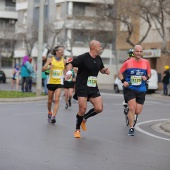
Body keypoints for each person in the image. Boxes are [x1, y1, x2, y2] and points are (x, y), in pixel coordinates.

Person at [66, 40, 110, 138]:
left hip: (93, 86)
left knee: (99, 108)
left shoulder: (99, 58)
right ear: (94, 47)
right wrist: (69, 72)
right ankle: (77, 129)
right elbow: (70, 64)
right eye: (100, 46)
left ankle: (85, 118)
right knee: (82, 109)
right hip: (82, 86)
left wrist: (105, 70)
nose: (101, 48)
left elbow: (101, 69)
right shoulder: (83, 57)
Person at [118, 45, 151, 136]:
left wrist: (146, 77)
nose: (139, 53)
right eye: (137, 51)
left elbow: (149, 73)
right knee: (132, 108)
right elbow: (120, 73)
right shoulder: (128, 62)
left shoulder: (146, 62)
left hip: (141, 88)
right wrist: (123, 81)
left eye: (140, 51)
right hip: (130, 88)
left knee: (137, 111)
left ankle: (128, 109)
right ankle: (131, 128)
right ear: (134, 52)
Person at [42, 46, 66, 123]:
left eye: (63, 51)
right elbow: (43, 69)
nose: (62, 53)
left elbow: (65, 72)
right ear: (56, 52)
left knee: (56, 100)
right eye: (61, 51)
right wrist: (49, 67)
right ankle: (49, 112)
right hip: (51, 82)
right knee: (49, 101)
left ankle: (53, 116)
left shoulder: (64, 61)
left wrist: (67, 75)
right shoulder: (50, 59)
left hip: (59, 82)